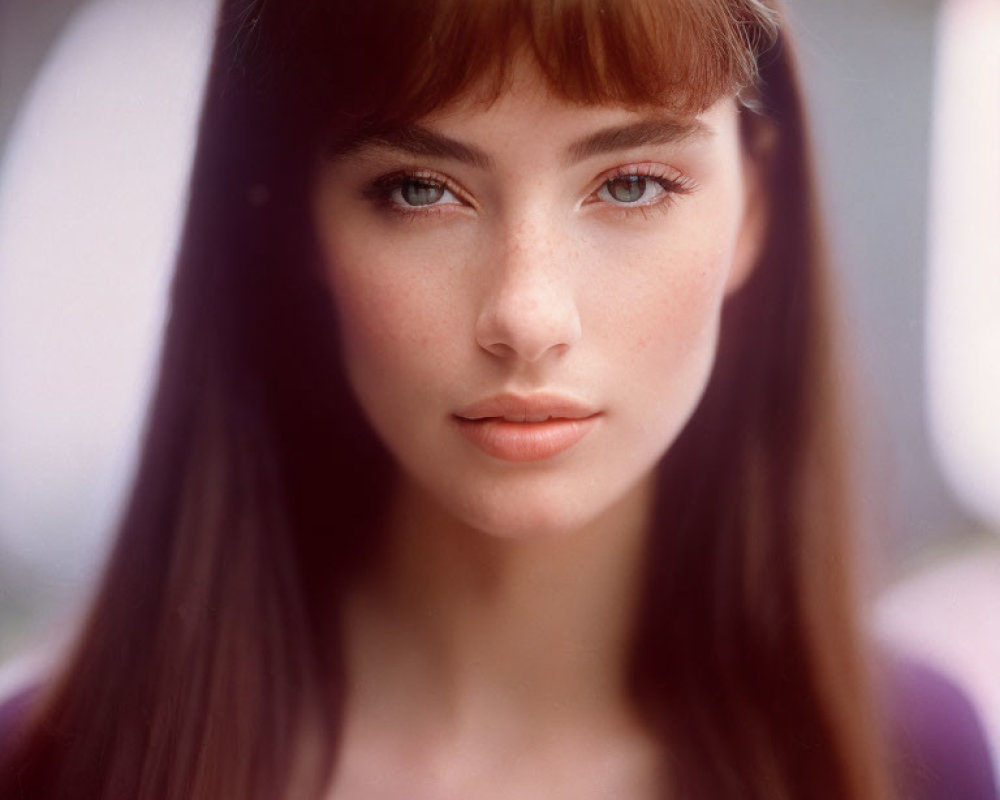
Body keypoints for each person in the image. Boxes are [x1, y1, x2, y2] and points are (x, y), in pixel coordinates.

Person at [0, 0, 995, 798]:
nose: (526, 313)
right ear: (295, 221)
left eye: (634, 183)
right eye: (420, 189)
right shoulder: (51, 766)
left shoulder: (914, 760)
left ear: (752, 208)